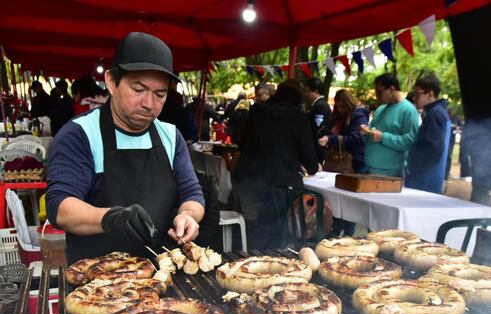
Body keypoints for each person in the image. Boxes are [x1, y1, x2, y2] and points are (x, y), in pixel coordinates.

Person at [46, 32, 205, 264]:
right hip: (97, 283)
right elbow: (60, 207)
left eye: (160, 94)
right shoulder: (80, 134)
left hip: (163, 274)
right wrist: (111, 218)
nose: (149, 104)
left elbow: (192, 193)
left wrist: (188, 215)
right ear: (111, 82)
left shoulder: (171, 136)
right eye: (138, 90)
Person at [232, 79, 318, 248]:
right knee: (280, 229)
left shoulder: (257, 111)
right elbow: (310, 162)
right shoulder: (298, 118)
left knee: (257, 227)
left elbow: (241, 141)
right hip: (282, 185)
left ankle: (255, 254)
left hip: (252, 179)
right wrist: (312, 166)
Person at [318, 89, 369, 236]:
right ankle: (339, 230)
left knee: (349, 203)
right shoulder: (341, 117)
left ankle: (348, 233)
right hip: (340, 165)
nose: (339, 109)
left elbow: (355, 139)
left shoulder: (358, 116)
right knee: (338, 200)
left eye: (341, 106)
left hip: (352, 163)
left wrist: (331, 139)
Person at [361, 73, 420, 177]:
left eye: (379, 92)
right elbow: (372, 138)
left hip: (390, 174)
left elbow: (410, 141)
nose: (376, 96)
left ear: (391, 89)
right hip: (368, 169)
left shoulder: (408, 111)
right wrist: (365, 133)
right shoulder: (380, 109)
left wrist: (383, 137)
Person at [405, 75, 451, 193]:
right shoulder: (438, 112)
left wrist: (413, 170)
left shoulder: (435, 114)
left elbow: (433, 149)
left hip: (424, 181)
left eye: (417, 94)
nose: (414, 98)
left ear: (430, 94)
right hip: (429, 178)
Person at [305, 78, 333, 163]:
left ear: (315, 91)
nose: (306, 94)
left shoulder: (320, 106)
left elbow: (318, 129)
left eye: (308, 91)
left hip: (317, 147)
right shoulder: (317, 105)